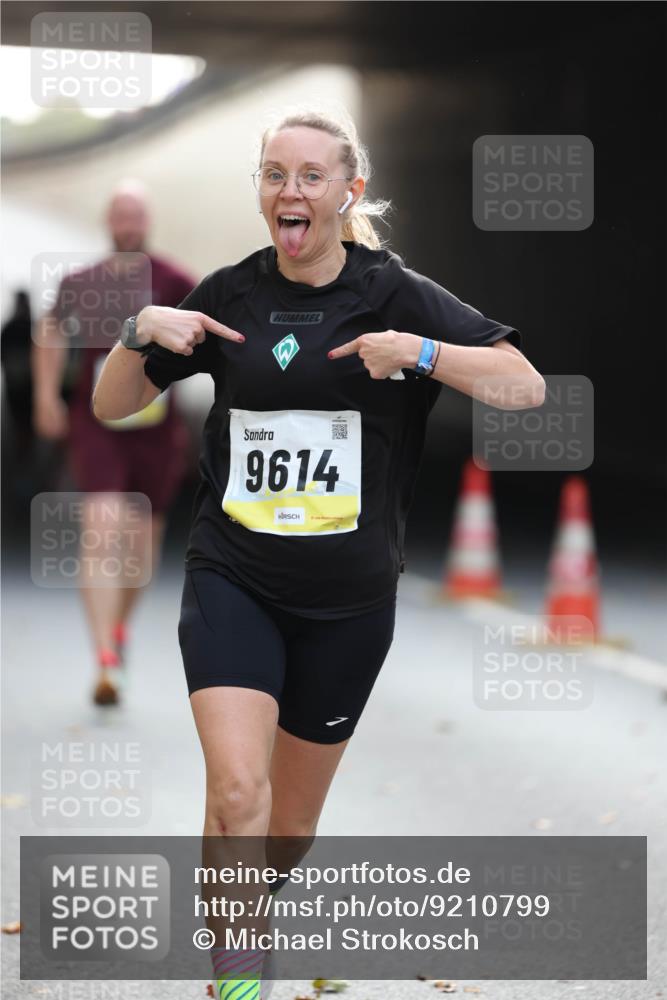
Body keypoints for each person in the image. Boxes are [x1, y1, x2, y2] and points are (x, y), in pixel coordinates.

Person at [92, 109, 545, 999]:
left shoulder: (393, 293)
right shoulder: (228, 295)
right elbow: (112, 403)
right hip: (233, 576)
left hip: (348, 602)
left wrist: (417, 352)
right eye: (272, 174)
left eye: (308, 175)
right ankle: (237, 979)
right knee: (234, 790)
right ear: (259, 190)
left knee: (285, 831)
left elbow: (523, 387)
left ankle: (244, 907)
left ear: (349, 191)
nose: (289, 191)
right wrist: (140, 331)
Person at [32, 182, 197, 706]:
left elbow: (206, 330)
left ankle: (119, 633)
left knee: (142, 547)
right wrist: (44, 396)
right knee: (102, 529)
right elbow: (52, 332)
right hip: (97, 420)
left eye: (136, 215)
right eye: (120, 215)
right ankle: (104, 656)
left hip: (155, 429)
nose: (128, 224)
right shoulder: (81, 281)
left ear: (147, 221)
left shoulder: (171, 279)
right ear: (109, 221)